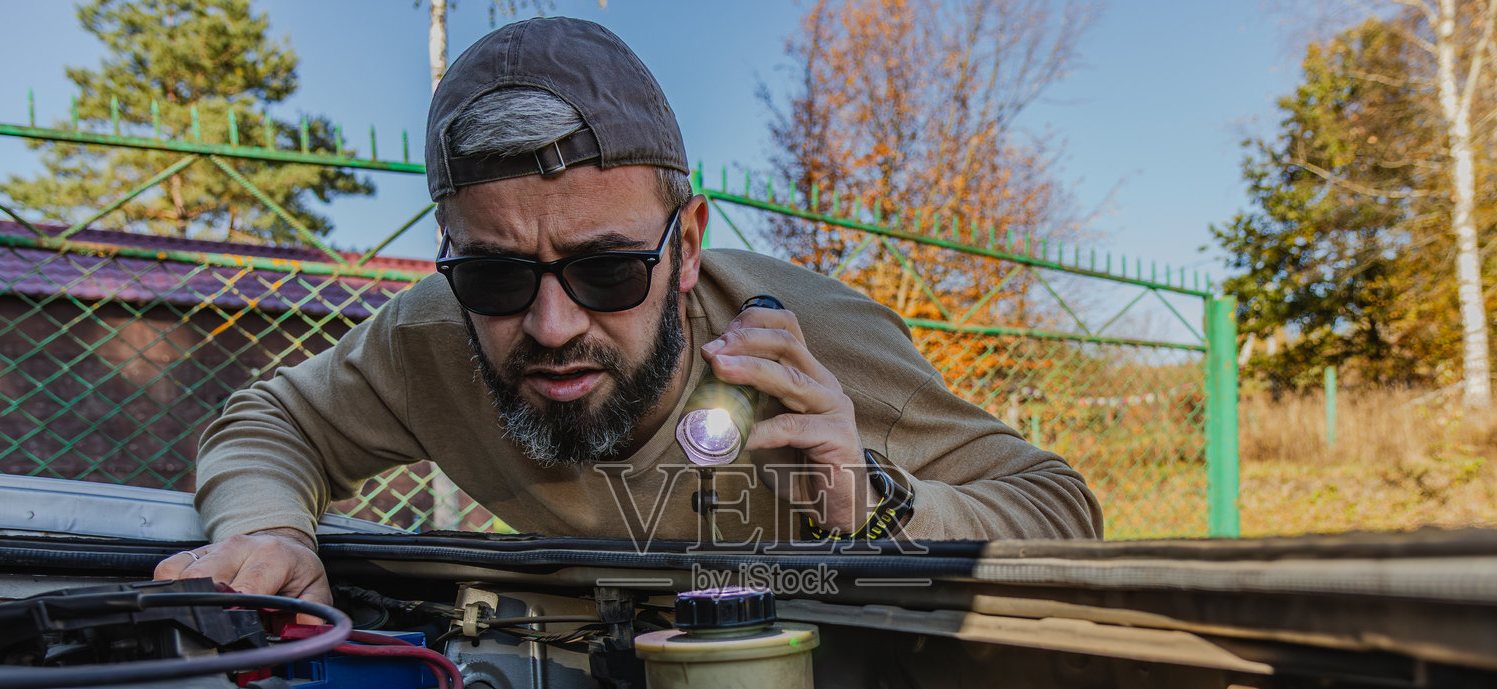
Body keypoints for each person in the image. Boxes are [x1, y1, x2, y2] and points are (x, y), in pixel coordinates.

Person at [155, 17, 1101, 605]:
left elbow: (1061, 512)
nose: (554, 326)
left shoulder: (813, 343)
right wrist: (271, 529)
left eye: (606, 271)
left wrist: (875, 502)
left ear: (687, 245)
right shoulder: (429, 340)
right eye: (496, 278)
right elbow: (269, 421)